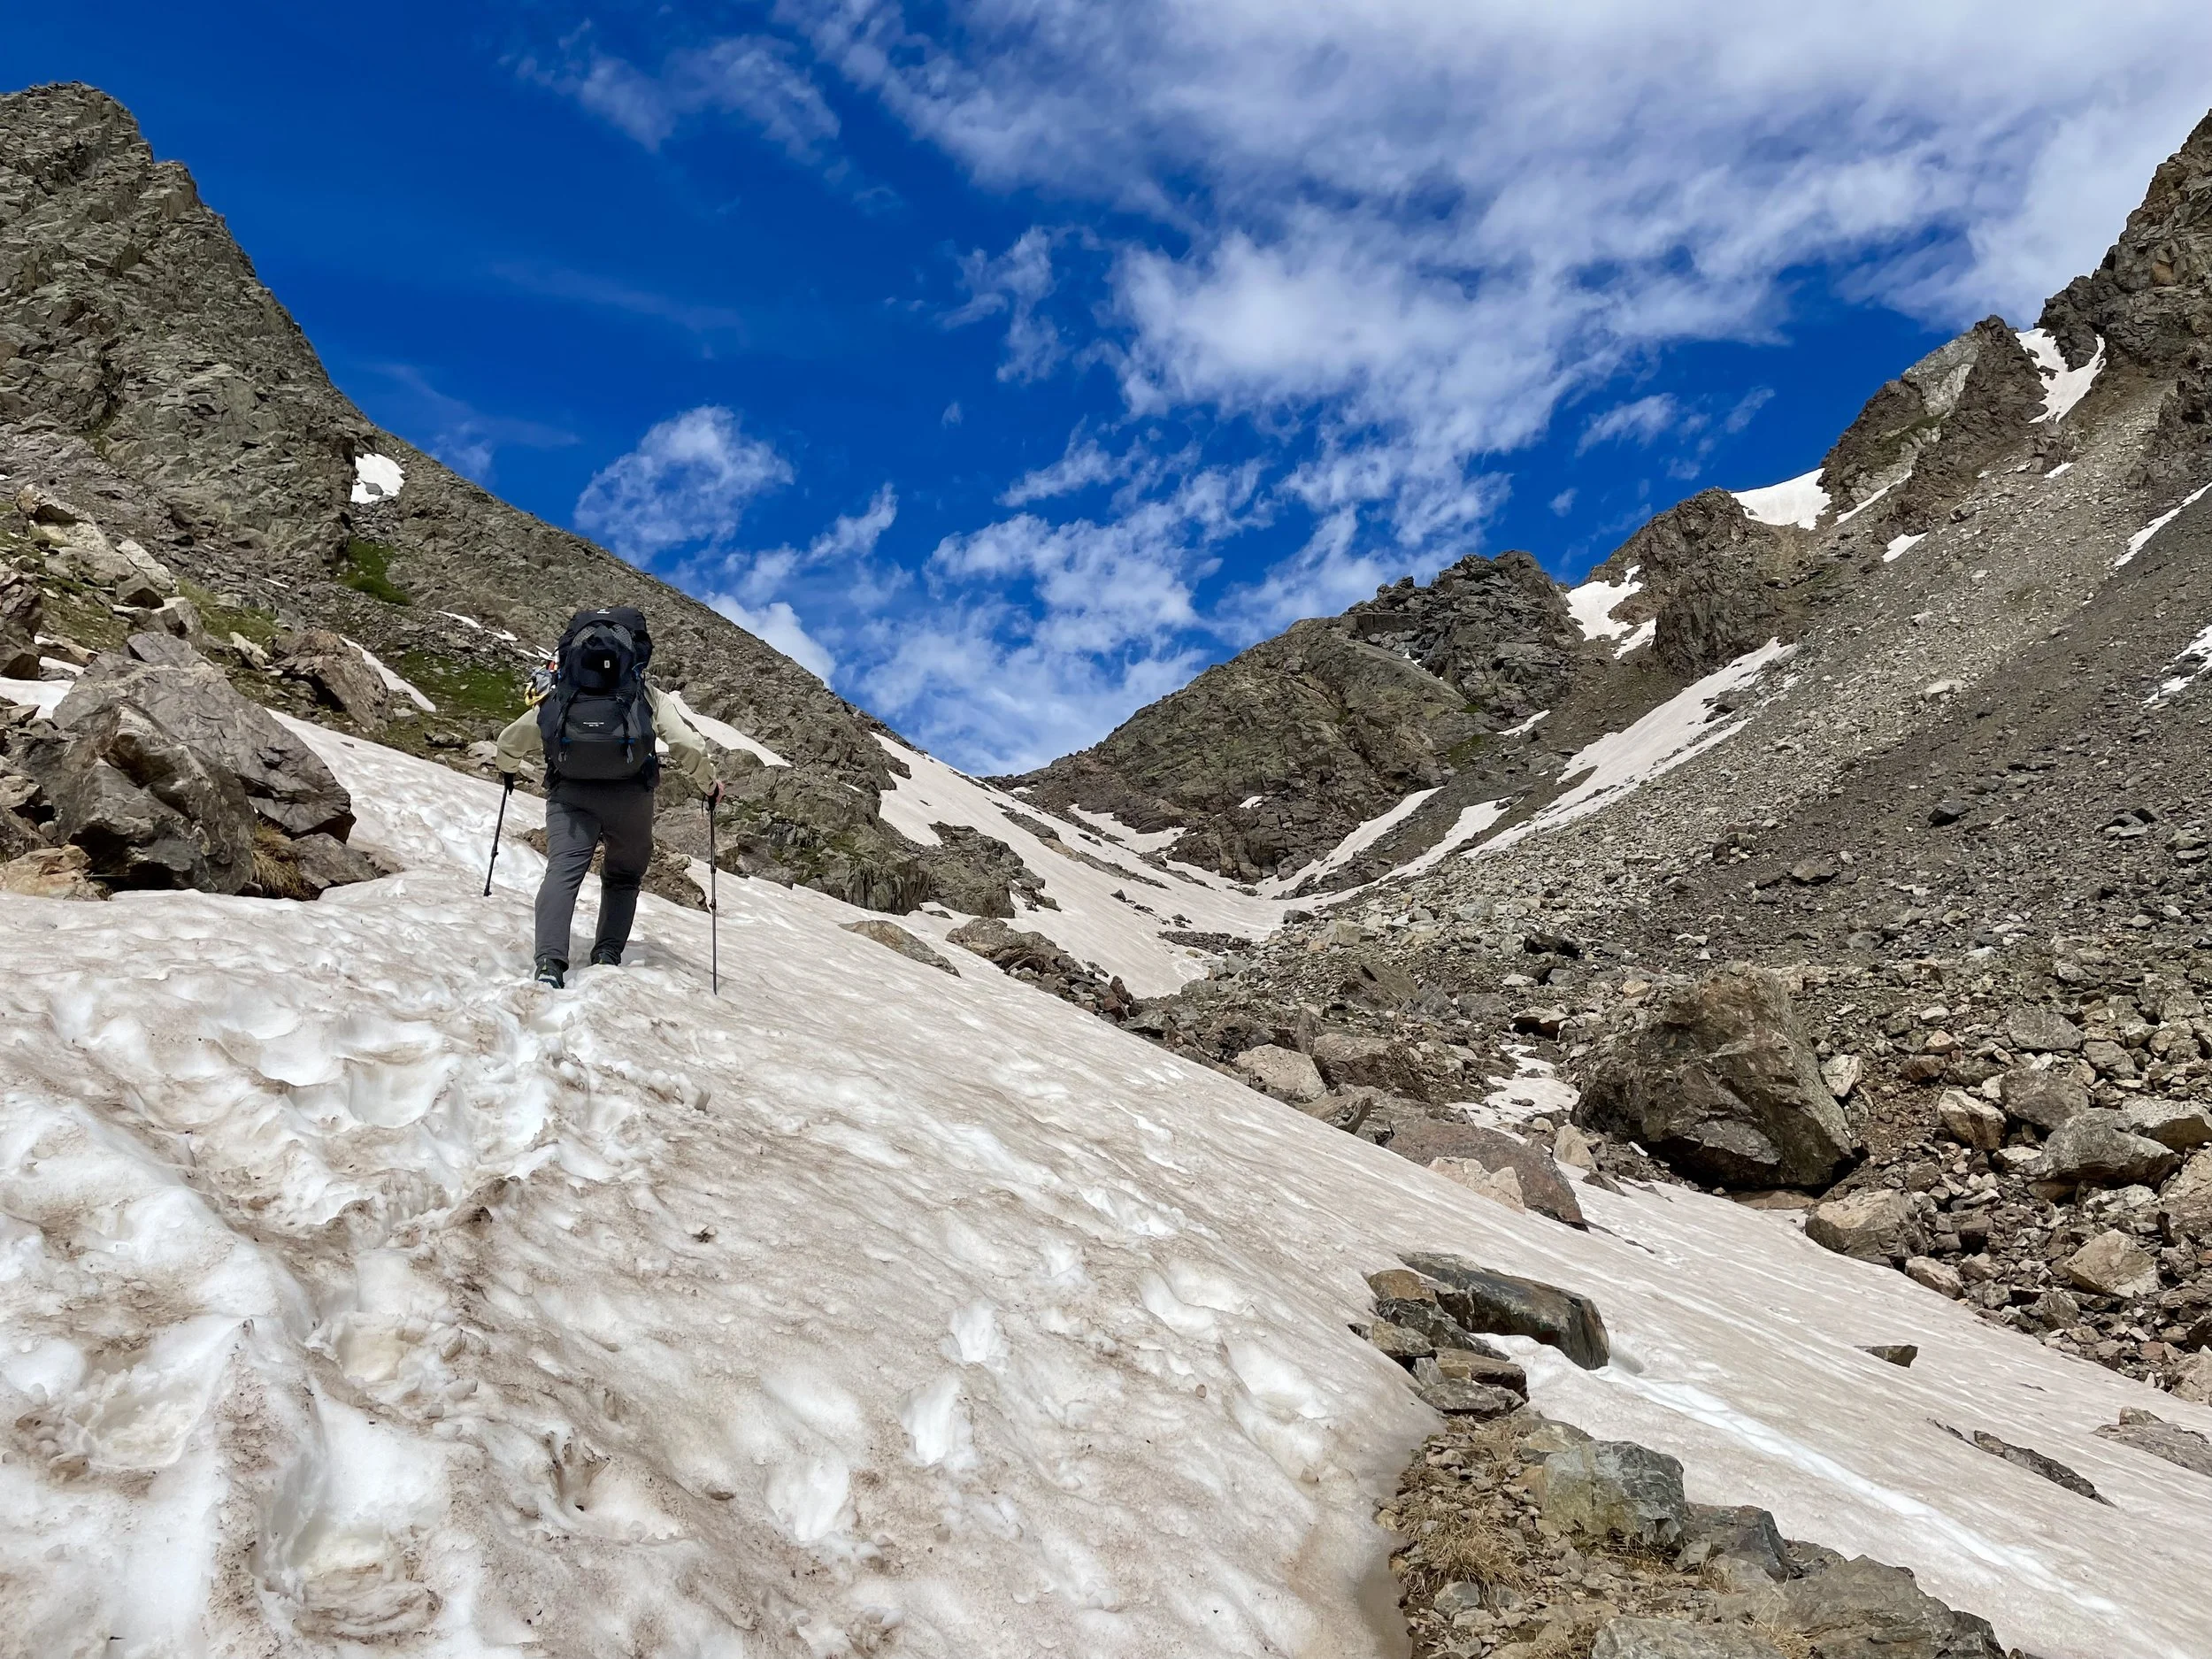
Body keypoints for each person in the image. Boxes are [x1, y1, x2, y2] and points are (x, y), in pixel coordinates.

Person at [493, 605, 720, 987]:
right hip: (631, 797)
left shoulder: (562, 691)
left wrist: (508, 769)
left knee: (562, 874)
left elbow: (510, 740)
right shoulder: (646, 694)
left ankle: (549, 963)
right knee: (624, 877)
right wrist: (709, 785)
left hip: (570, 793)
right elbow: (686, 745)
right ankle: (607, 953)